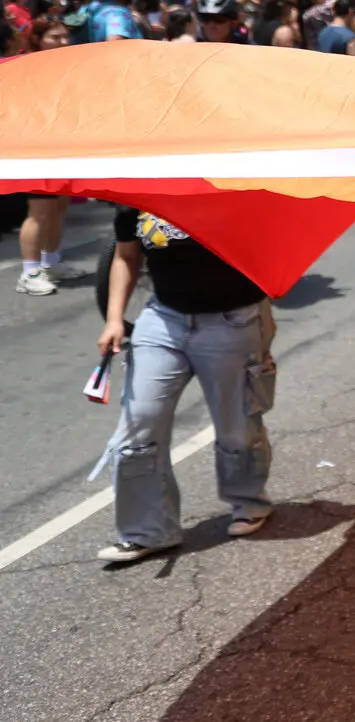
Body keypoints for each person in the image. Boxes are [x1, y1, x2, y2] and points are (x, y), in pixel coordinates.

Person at [94, 207, 277, 563]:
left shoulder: (228, 186)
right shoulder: (133, 197)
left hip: (233, 321)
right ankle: (148, 530)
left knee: (237, 425)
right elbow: (126, 256)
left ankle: (249, 501)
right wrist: (115, 318)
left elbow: (272, 243)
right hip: (164, 318)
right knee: (138, 423)